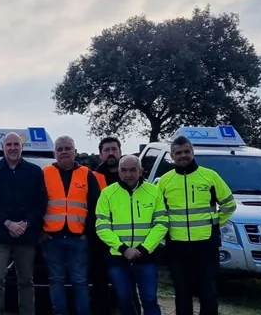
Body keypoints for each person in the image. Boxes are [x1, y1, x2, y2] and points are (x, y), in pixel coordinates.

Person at [159, 135, 236, 315]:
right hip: (177, 246)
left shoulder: (210, 176)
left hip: (206, 245)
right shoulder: (165, 181)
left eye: (187, 151)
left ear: (192, 152)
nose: (183, 155)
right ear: (172, 156)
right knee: (182, 292)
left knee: (208, 292)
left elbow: (229, 204)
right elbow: (159, 212)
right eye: (178, 153)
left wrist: (214, 223)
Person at [0, 132, 46, 315]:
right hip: (0, 234)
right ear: (3, 148)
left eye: (16, 144)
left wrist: (26, 222)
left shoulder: (34, 172)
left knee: (26, 280)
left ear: (22, 147)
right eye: (8, 144)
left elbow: (41, 202)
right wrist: (7, 222)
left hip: (26, 234)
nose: (12, 148)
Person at [95, 155, 167, 315]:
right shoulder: (107, 193)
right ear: (119, 172)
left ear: (141, 171)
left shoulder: (154, 192)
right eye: (124, 170)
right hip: (118, 256)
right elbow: (102, 226)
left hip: (147, 256)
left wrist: (144, 248)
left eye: (133, 170)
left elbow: (161, 224)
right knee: (124, 298)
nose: (128, 174)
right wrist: (123, 249)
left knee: (149, 298)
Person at [41, 135, 101, 315]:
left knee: (80, 281)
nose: (64, 152)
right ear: (54, 153)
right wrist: (40, 231)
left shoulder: (87, 174)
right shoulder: (44, 173)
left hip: (78, 238)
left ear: (75, 152)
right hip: (52, 237)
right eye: (60, 149)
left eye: (67, 148)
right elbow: (35, 203)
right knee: (56, 280)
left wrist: (87, 233)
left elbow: (95, 206)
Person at [89, 136, 123, 315]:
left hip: (125, 239)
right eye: (106, 150)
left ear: (120, 151)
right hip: (99, 240)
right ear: (100, 154)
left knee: (126, 285)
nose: (111, 153)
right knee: (99, 283)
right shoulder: (92, 177)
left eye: (114, 149)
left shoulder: (129, 174)